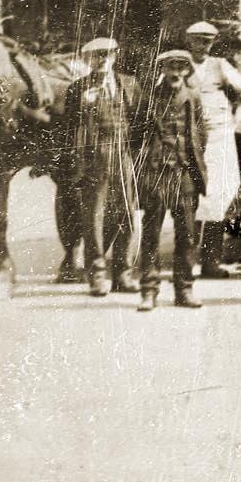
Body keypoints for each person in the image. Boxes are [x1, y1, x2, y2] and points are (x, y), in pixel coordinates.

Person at [62, 37, 139, 297]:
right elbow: (69, 127)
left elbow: (140, 121)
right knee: (94, 215)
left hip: (124, 154)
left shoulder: (128, 83)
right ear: (87, 59)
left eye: (107, 54)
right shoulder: (77, 89)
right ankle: (97, 274)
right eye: (96, 56)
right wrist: (86, 105)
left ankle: (123, 273)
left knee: (127, 213)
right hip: (95, 156)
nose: (102, 60)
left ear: (115, 56)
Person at [134, 50, 208, 312]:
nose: (176, 73)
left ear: (187, 70)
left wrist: (192, 163)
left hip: (184, 174)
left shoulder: (193, 97)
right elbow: (137, 137)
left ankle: (184, 289)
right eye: (170, 67)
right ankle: (149, 292)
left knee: (187, 235)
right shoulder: (149, 98)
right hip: (156, 174)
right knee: (151, 235)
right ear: (162, 70)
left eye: (181, 68)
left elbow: (200, 135)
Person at [184, 20, 241, 279]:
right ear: (188, 41)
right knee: (190, 198)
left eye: (207, 41)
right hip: (190, 141)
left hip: (218, 138)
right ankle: (187, 262)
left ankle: (210, 261)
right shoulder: (181, 65)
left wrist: (237, 125)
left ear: (212, 43)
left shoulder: (220, 65)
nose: (201, 46)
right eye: (197, 40)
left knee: (217, 196)